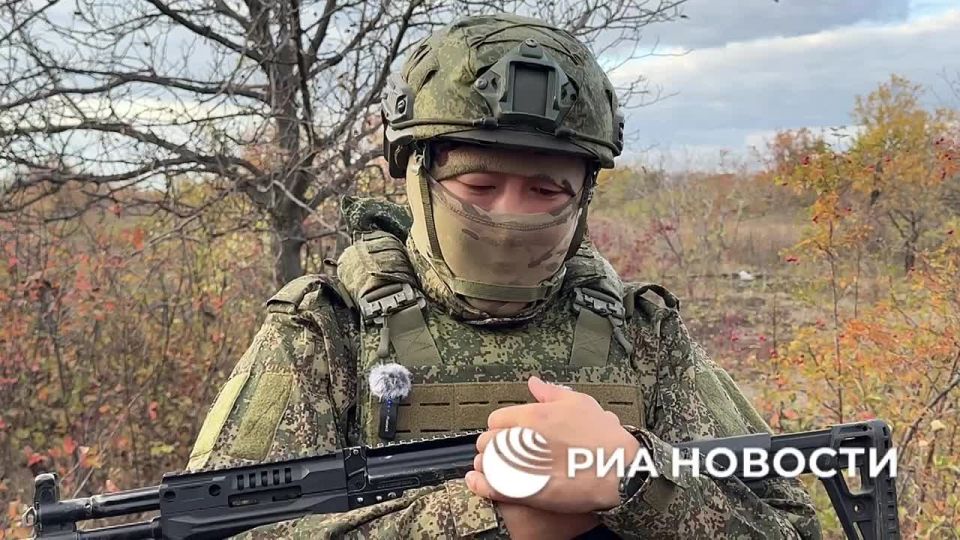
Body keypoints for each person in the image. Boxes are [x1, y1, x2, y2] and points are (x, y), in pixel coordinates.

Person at [185, 13, 822, 540]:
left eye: (545, 190)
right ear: (418, 176)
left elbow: (788, 525)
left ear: (583, 195)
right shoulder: (326, 333)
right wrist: (494, 519)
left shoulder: (644, 336)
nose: (509, 215)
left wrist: (635, 482)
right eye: (480, 185)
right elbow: (218, 527)